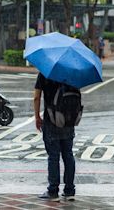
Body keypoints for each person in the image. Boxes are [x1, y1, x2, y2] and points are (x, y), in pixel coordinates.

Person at [34, 73, 76, 202]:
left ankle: (53, 191)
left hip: (51, 120)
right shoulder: (71, 73)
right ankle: (69, 190)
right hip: (68, 120)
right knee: (68, 155)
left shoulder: (45, 73)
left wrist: (37, 117)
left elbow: (37, 97)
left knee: (53, 156)